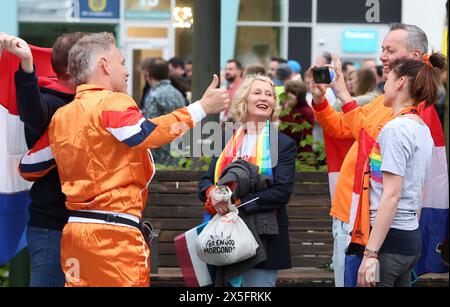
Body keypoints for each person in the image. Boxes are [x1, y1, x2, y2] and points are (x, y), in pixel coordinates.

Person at [18, 32, 229, 287]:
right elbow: (146, 134)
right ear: (105, 65)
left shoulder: (63, 116)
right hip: (114, 235)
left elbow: (29, 167)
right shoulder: (112, 102)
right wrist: (202, 108)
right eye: (121, 62)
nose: (125, 71)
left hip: (75, 232)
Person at [310, 23, 432, 287]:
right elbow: (344, 128)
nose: (383, 57)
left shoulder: (411, 109)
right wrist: (322, 101)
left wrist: (343, 94)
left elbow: (368, 140)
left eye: (390, 50)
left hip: (366, 222)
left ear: (415, 57)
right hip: (352, 212)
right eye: (382, 49)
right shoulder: (385, 101)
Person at [353, 53, 447, 287]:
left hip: (388, 240)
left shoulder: (395, 129)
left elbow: (392, 194)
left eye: (388, 78)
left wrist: (371, 254)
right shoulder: (421, 128)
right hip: (407, 237)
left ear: (400, 82)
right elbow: (420, 189)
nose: (384, 84)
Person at [0, 31, 86, 287]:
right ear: (81, 66)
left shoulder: (104, 104)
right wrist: (27, 65)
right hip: (54, 225)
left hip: (91, 226)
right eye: (102, 58)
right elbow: (34, 114)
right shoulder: (51, 101)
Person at [199, 75, 296, 287]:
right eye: (258, 92)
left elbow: (282, 192)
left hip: (263, 237)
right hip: (221, 236)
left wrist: (238, 202)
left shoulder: (282, 144)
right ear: (244, 99)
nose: (265, 98)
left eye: (269, 94)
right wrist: (213, 195)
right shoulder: (226, 138)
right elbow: (206, 180)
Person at [142, 57, 188, 166]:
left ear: (148, 74)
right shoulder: (177, 93)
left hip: (160, 158)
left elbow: (150, 127)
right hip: (178, 154)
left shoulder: (154, 95)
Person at [279, 80, 314, 153]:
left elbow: (294, 133)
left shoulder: (305, 111)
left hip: (300, 152)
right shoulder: (285, 107)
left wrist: (287, 108)